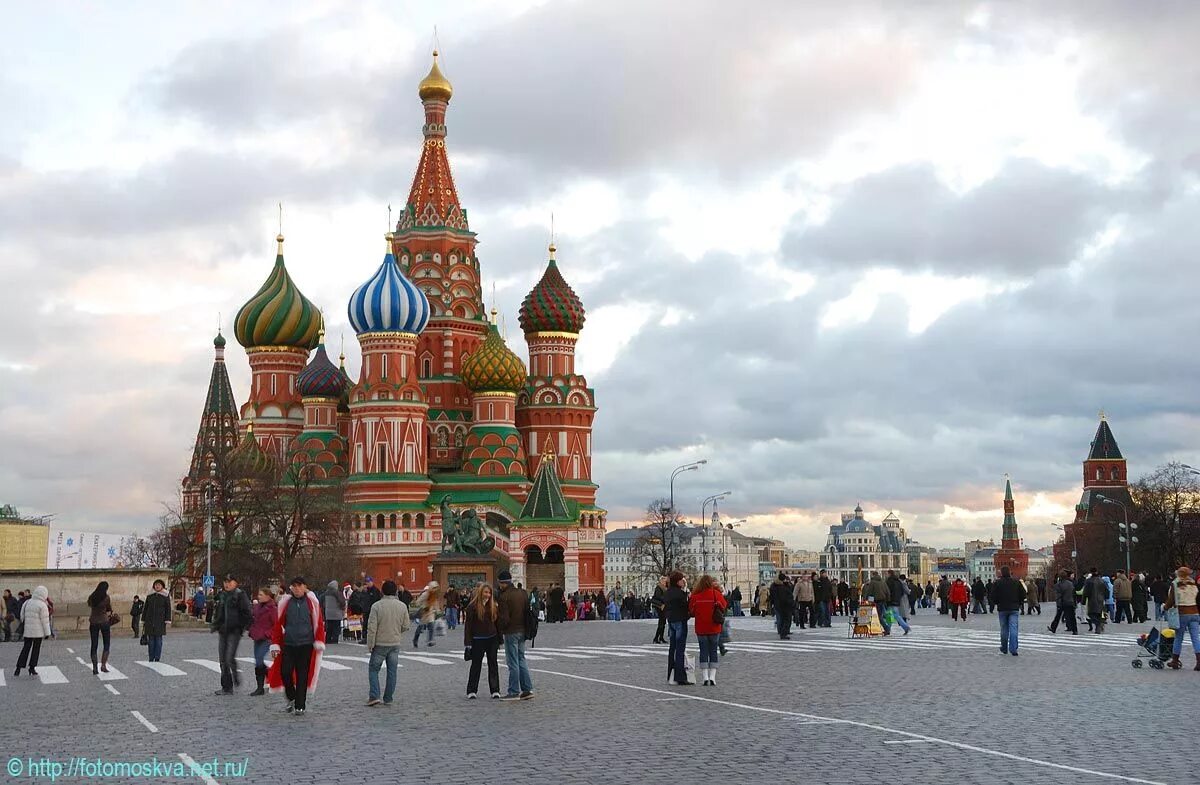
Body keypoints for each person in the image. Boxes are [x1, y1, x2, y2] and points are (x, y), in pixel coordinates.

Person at [266, 576, 326, 716]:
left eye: (300, 586)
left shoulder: (312, 603)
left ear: (305, 587)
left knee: (302, 675)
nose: (297, 589)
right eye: (294, 586)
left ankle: (300, 705)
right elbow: (277, 624)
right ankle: (291, 697)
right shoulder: (285, 603)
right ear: (291, 588)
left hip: (306, 644)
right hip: (289, 643)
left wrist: (318, 641)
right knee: (285, 672)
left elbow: (319, 623)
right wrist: (275, 643)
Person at [366, 580, 410, 706]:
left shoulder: (376, 606)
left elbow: (372, 627)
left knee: (374, 670)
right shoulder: (402, 606)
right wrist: (397, 631)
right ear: (395, 591)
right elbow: (406, 625)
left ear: (382, 591)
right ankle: (388, 697)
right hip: (395, 643)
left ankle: (374, 695)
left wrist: (370, 644)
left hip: (380, 643)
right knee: (392, 671)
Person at [210, 574, 252, 695]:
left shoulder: (240, 595)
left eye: (229, 581)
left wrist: (242, 627)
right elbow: (219, 613)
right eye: (225, 582)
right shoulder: (222, 596)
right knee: (222, 660)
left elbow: (247, 613)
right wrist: (215, 625)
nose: (227, 584)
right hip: (223, 630)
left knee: (229, 657)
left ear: (235, 583)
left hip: (234, 631)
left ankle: (235, 675)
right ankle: (226, 687)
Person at [497, 570, 534, 701]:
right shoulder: (522, 593)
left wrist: (499, 630)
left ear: (502, 583)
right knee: (521, 659)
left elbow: (504, 618)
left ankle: (513, 691)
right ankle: (527, 689)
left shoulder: (503, 597)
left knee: (512, 662)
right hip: (523, 630)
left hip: (511, 631)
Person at [688, 575, 728, 687]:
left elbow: (691, 611)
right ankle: (713, 677)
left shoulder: (696, 596)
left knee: (703, 651)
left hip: (701, 628)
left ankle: (705, 677)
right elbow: (724, 606)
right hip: (714, 627)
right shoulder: (716, 594)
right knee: (713, 651)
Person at [463, 583, 501, 699]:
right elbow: (468, 626)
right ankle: (471, 690)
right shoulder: (472, 607)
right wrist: (468, 643)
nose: (488, 595)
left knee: (493, 664)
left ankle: (495, 690)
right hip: (477, 639)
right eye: (486, 592)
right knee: (476, 665)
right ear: (480, 593)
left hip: (492, 638)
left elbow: (497, 624)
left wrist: (500, 639)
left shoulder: (493, 606)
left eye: (489, 593)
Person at [1164, 566, 1200, 670]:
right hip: (1195, 613)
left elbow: (1171, 600)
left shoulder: (1176, 584)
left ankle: (1175, 661)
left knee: (1178, 638)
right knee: (1196, 638)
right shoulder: (1193, 583)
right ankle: (1199, 662)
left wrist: (1165, 607)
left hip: (1182, 613)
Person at [12, 586, 50, 678]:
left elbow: (22, 616)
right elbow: (45, 621)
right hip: (38, 632)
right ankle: (32, 668)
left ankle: (18, 668)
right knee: (35, 650)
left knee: (25, 648)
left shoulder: (27, 602)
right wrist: (47, 633)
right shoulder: (42, 605)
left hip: (28, 631)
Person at [990, 566, 1026, 656]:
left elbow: (993, 596)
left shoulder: (997, 583)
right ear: (1010, 573)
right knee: (1013, 628)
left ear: (1001, 573)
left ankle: (1004, 648)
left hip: (1002, 609)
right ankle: (1013, 649)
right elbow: (1023, 594)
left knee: (1004, 629)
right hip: (1014, 608)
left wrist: (997, 602)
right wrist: (1019, 602)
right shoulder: (1016, 582)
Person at [664, 571, 692, 686]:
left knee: (672, 648)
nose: (683, 581)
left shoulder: (668, 593)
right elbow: (686, 607)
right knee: (680, 649)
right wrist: (686, 591)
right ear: (677, 581)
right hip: (680, 620)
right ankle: (680, 676)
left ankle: (671, 672)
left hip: (671, 621)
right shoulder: (680, 594)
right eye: (682, 579)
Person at [248, 587, 277, 696]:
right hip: (257, 637)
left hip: (266, 638)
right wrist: (251, 630)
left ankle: (261, 687)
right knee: (257, 661)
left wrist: (268, 634)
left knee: (259, 660)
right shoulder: (257, 608)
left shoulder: (273, 609)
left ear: (268, 596)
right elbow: (254, 621)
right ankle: (263, 683)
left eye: (261, 595)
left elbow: (276, 624)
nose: (258, 597)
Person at [86, 581, 113, 675]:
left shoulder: (92, 597)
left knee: (94, 644)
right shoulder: (106, 598)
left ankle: (94, 667)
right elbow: (109, 609)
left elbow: (89, 605)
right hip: (104, 622)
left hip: (93, 621)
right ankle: (103, 665)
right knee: (106, 643)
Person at [141, 580, 171, 662]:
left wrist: (167, 619)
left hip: (160, 621)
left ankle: (157, 657)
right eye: (156, 585)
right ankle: (151, 657)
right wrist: (143, 619)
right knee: (150, 640)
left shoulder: (165, 595)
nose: (157, 586)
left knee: (158, 640)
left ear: (162, 586)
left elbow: (168, 608)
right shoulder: (150, 595)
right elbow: (145, 608)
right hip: (149, 621)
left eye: (159, 585)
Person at [412, 582, 441, 648]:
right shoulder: (425, 594)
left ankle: (430, 640)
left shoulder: (434, 595)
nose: (435, 590)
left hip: (430, 613)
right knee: (420, 627)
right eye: (434, 588)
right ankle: (415, 640)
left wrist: (438, 610)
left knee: (431, 626)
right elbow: (418, 602)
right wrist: (423, 606)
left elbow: (435, 603)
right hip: (424, 612)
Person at [883, 570, 910, 636]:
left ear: (889, 574)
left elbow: (887, 591)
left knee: (894, 616)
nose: (886, 575)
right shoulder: (898, 581)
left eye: (887, 573)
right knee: (891, 616)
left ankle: (905, 627)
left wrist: (887, 599)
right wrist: (898, 598)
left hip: (890, 601)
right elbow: (902, 591)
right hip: (897, 601)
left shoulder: (889, 581)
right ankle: (888, 630)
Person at [769, 573, 794, 640]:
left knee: (782, 619)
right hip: (784, 605)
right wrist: (790, 602)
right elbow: (785, 597)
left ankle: (782, 632)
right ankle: (783, 633)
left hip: (779, 605)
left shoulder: (774, 585)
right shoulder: (781, 587)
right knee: (785, 620)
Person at [323, 580, 345, 645]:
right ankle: (334, 640)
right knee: (336, 627)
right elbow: (342, 602)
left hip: (328, 613)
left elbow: (323, 602)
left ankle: (328, 639)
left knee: (329, 627)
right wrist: (342, 608)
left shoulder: (326, 593)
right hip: (336, 613)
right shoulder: (337, 593)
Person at [651, 576, 668, 644]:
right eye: (663, 581)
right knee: (661, 622)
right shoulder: (658, 587)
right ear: (660, 581)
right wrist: (665, 598)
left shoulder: (665, 588)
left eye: (665, 581)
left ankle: (661, 637)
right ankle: (656, 638)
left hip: (663, 606)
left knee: (663, 622)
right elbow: (658, 596)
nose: (664, 582)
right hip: (659, 606)